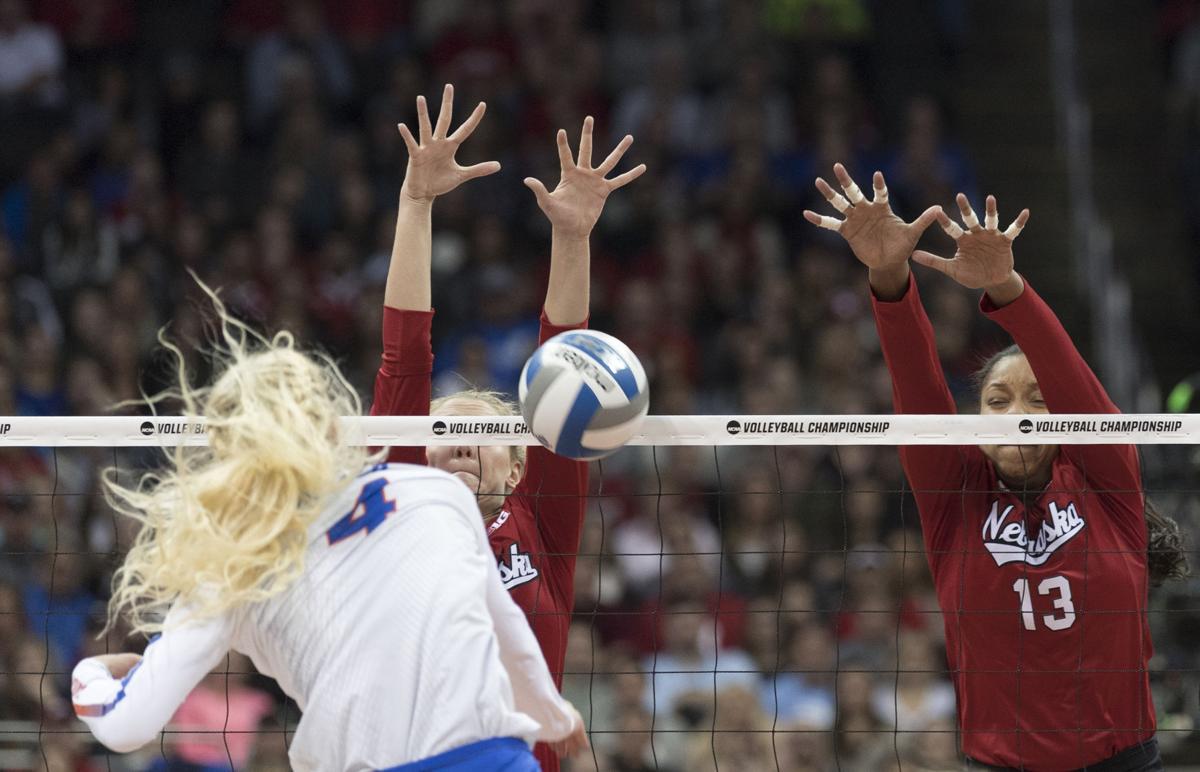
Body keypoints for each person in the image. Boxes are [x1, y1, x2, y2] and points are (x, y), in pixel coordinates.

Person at [69, 287, 589, 771]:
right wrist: (554, 714)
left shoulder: (229, 569)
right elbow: (505, 626)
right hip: (494, 759)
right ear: (333, 427)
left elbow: (123, 727)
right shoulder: (431, 492)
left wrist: (89, 674)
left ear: (224, 456)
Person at [805, 164, 1187, 770]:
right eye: (1000, 401)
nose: (1020, 416)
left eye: (1039, 399)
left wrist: (1008, 287)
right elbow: (917, 388)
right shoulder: (955, 499)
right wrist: (887, 274)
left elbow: (1074, 382)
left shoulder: (1106, 477)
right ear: (974, 425)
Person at [370, 84, 644, 772]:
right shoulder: (401, 501)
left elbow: (567, 362)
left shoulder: (541, 521)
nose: (457, 438)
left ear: (520, 464)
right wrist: (415, 202)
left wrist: (572, 236)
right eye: (440, 428)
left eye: (483, 430)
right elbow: (405, 354)